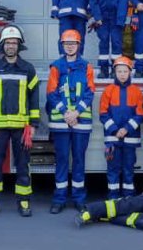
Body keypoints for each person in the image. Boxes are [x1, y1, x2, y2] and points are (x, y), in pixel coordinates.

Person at [0, 25, 40, 218]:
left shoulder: (28, 69)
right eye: (7, 43)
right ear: (2, 46)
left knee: (23, 165)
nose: (10, 46)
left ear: (19, 46)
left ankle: (23, 201)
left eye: (14, 43)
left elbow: (34, 98)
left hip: (21, 128)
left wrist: (33, 125)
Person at [46, 29, 96, 214]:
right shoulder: (56, 66)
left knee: (79, 160)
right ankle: (59, 199)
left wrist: (76, 112)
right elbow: (51, 92)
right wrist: (66, 112)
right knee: (61, 160)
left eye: (73, 43)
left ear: (78, 45)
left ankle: (78, 198)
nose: (70, 46)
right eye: (67, 43)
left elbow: (90, 92)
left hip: (80, 122)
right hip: (61, 122)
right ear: (62, 45)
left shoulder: (87, 66)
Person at [99, 56, 143, 199]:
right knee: (113, 169)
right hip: (112, 139)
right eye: (119, 71)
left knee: (128, 169)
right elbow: (103, 113)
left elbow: (141, 114)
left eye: (125, 71)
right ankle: (113, 197)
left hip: (130, 139)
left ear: (130, 72)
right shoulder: (108, 91)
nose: (122, 74)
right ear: (115, 72)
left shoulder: (136, 91)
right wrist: (115, 130)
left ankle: (128, 197)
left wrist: (126, 129)